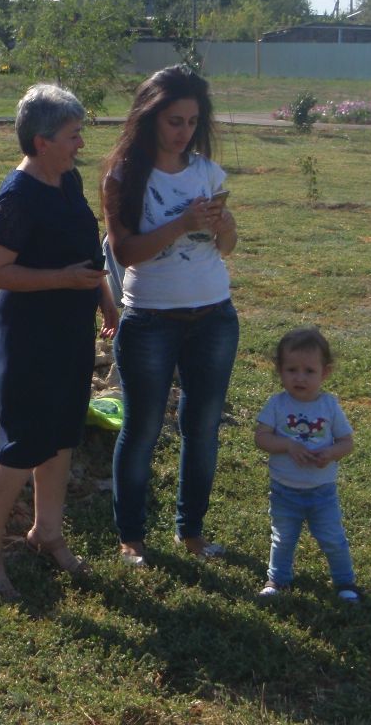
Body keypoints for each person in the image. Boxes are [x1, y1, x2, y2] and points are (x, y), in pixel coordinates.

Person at [0, 83, 119, 599]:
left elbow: (86, 257)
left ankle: (46, 531)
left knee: (61, 434)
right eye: (73, 135)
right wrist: (62, 279)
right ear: (42, 140)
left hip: (71, 332)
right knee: (23, 443)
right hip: (31, 337)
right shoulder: (17, 197)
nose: (80, 144)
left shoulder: (67, 181)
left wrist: (106, 303)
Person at [101, 65, 238, 566]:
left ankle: (192, 533)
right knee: (142, 428)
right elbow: (125, 252)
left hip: (214, 315)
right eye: (174, 120)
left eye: (191, 122)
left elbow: (228, 246)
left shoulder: (206, 172)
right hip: (151, 320)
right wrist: (182, 223)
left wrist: (223, 225)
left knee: (202, 427)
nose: (183, 132)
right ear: (150, 117)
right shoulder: (124, 175)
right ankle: (131, 540)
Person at [254, 327, 363, 603]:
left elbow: (346, 442)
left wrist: (331, 453)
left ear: (325, 373)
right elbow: (262, 438)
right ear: (280, 370)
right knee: (283, 538)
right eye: (291, 370)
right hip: (284, 489)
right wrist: (288, 445)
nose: (299, 377)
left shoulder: (329, 406)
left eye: (309, 371)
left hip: (321, 491)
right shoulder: (277, 405)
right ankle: (277, 580)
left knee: (332, 539)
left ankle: (344, 583)